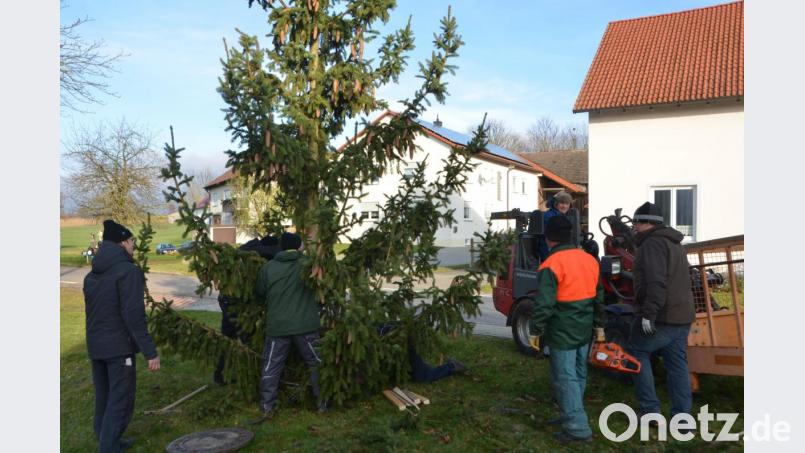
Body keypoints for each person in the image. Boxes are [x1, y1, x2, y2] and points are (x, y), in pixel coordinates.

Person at [83, 220, 160, 452]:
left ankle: (109, 439)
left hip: (96, 346)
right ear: (122, 242)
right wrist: (150, 351)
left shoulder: (91, 275)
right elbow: (133, 315)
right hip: (118, 348)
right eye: (132, 242)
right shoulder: (128, 271)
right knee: (121, 400)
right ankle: (108, 447)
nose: (134, 246)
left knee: (104, 397)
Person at [528, 216, 605, 443]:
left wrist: (535, 331)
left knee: (565, 377)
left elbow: (544, 304)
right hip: (584, 328)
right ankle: (572, 414)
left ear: (548, 238)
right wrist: (599, 326)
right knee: (579, 373)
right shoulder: (590, 260)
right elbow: (599, 297)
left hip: (562, 329)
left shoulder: (551, 265)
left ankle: (577, 428)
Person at [627, 202, 696, 423]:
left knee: (636, 352)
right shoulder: (674, 243)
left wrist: (649, 313)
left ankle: (650, 411)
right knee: (677, 364)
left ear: (646, 223)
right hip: (682, 315)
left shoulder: (652, 244)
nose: (634, 227)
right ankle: (682, 418)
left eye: (636, 222)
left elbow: (656, 282)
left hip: (663, 315)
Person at [254, 232, 325, 422]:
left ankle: (267, 406)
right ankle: (322, 403)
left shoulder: (268, 268)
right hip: (306, 326)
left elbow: (260, 292)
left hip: (277, 327)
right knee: (317, 363)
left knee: (271, 367)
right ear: (298, 246)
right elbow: (320, 285)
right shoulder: (308, 265)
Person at [213, 236, 281, 385]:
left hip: (228, 299)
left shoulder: (248, 248)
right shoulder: (257, 252)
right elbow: (272, 251)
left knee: (228, 337)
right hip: (235, 303)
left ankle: (220, 376)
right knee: (247, 339)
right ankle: (253, 376)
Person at [378, 323, 467, 383]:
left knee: (422, 376)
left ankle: (453, 366)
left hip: (403, 338)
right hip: (388, 345)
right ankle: (414, 367)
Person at [537, 191, 574, 262]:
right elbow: (549, 238)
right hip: (549, 250)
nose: (565, 206)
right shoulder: (549, 216)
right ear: (556, 204)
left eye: (567, 204)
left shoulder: (566, 216)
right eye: (562, 203)